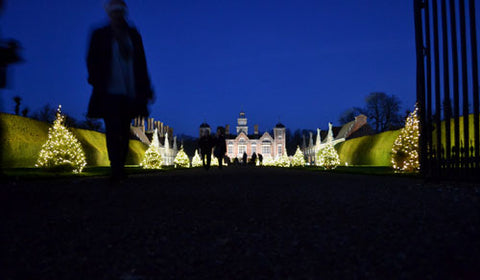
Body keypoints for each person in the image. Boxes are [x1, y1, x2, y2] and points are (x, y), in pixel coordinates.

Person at [86, 0, 154, 182]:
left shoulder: (133, 34)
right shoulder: (100, 34)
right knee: (112, 127)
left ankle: (119, 166)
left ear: (124, 13)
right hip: (108, 90)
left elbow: (141, 63)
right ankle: (116, 166)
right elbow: (91, 59)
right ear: (109, 14)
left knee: (124, 129)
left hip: (129, 90)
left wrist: (146, 87)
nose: (117, 15)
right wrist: (95, 78)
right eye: (114, 12)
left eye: (119, 12)